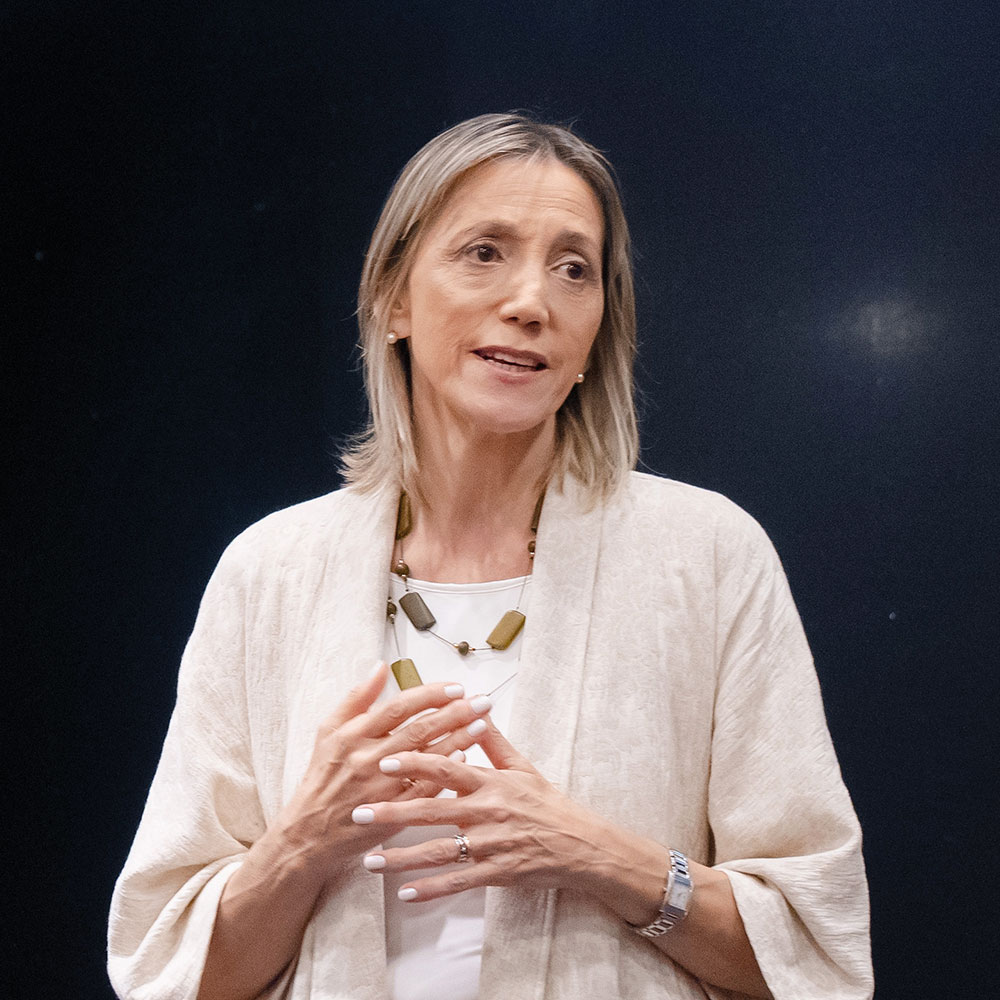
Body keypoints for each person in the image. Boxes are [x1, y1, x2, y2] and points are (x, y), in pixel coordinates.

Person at [108, 113, 873, 1000]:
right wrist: (305, 841)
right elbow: (168, 973)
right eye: (484, 252)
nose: (531, 302)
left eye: (574, 268)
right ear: (393, 299)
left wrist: (606, 860)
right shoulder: (269, 571)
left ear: (598, 331)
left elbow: (815, 950)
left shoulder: (706, 557)